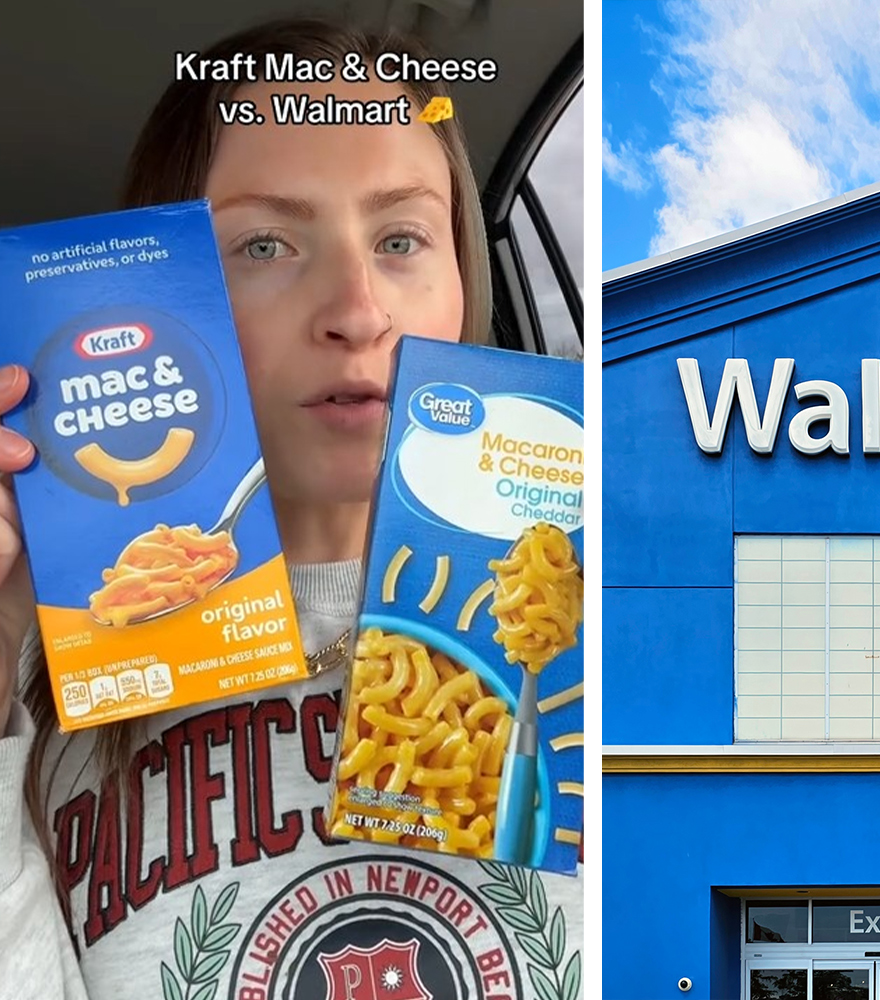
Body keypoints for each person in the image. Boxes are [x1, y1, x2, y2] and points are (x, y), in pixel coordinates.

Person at [0, 19, 582, 1000]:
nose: (356, 306)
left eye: (400, 238)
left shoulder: (576, 626)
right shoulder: (54, 664)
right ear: (154, 288)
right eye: (266, 242)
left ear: (461, 280)